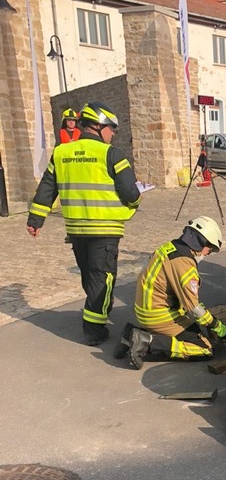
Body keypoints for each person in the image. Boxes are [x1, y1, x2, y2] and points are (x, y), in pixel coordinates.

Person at [26, 101, 141, 346]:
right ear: (99, 127)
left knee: (90, 276)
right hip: (105, 229)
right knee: (103, 279)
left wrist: (36, 219)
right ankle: (94, 330)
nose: (113, 134)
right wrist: (134, 202)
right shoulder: (111, 154)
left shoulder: (61, 153)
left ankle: (94, 315)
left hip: (76, 230)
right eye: (112, 128)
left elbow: (47, 188)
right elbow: (131, 192)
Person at [114, 216, 226, 369]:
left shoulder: (170, 247)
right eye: (209, 250)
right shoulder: (184, 264)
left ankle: (130, 334)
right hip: (160, 316)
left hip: (146, 310)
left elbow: (183, 296)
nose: (207, 254)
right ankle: (148, 341)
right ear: (201, 242)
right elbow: (192, 308)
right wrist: (218, 327)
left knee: (194, 330)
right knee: (204, 349)